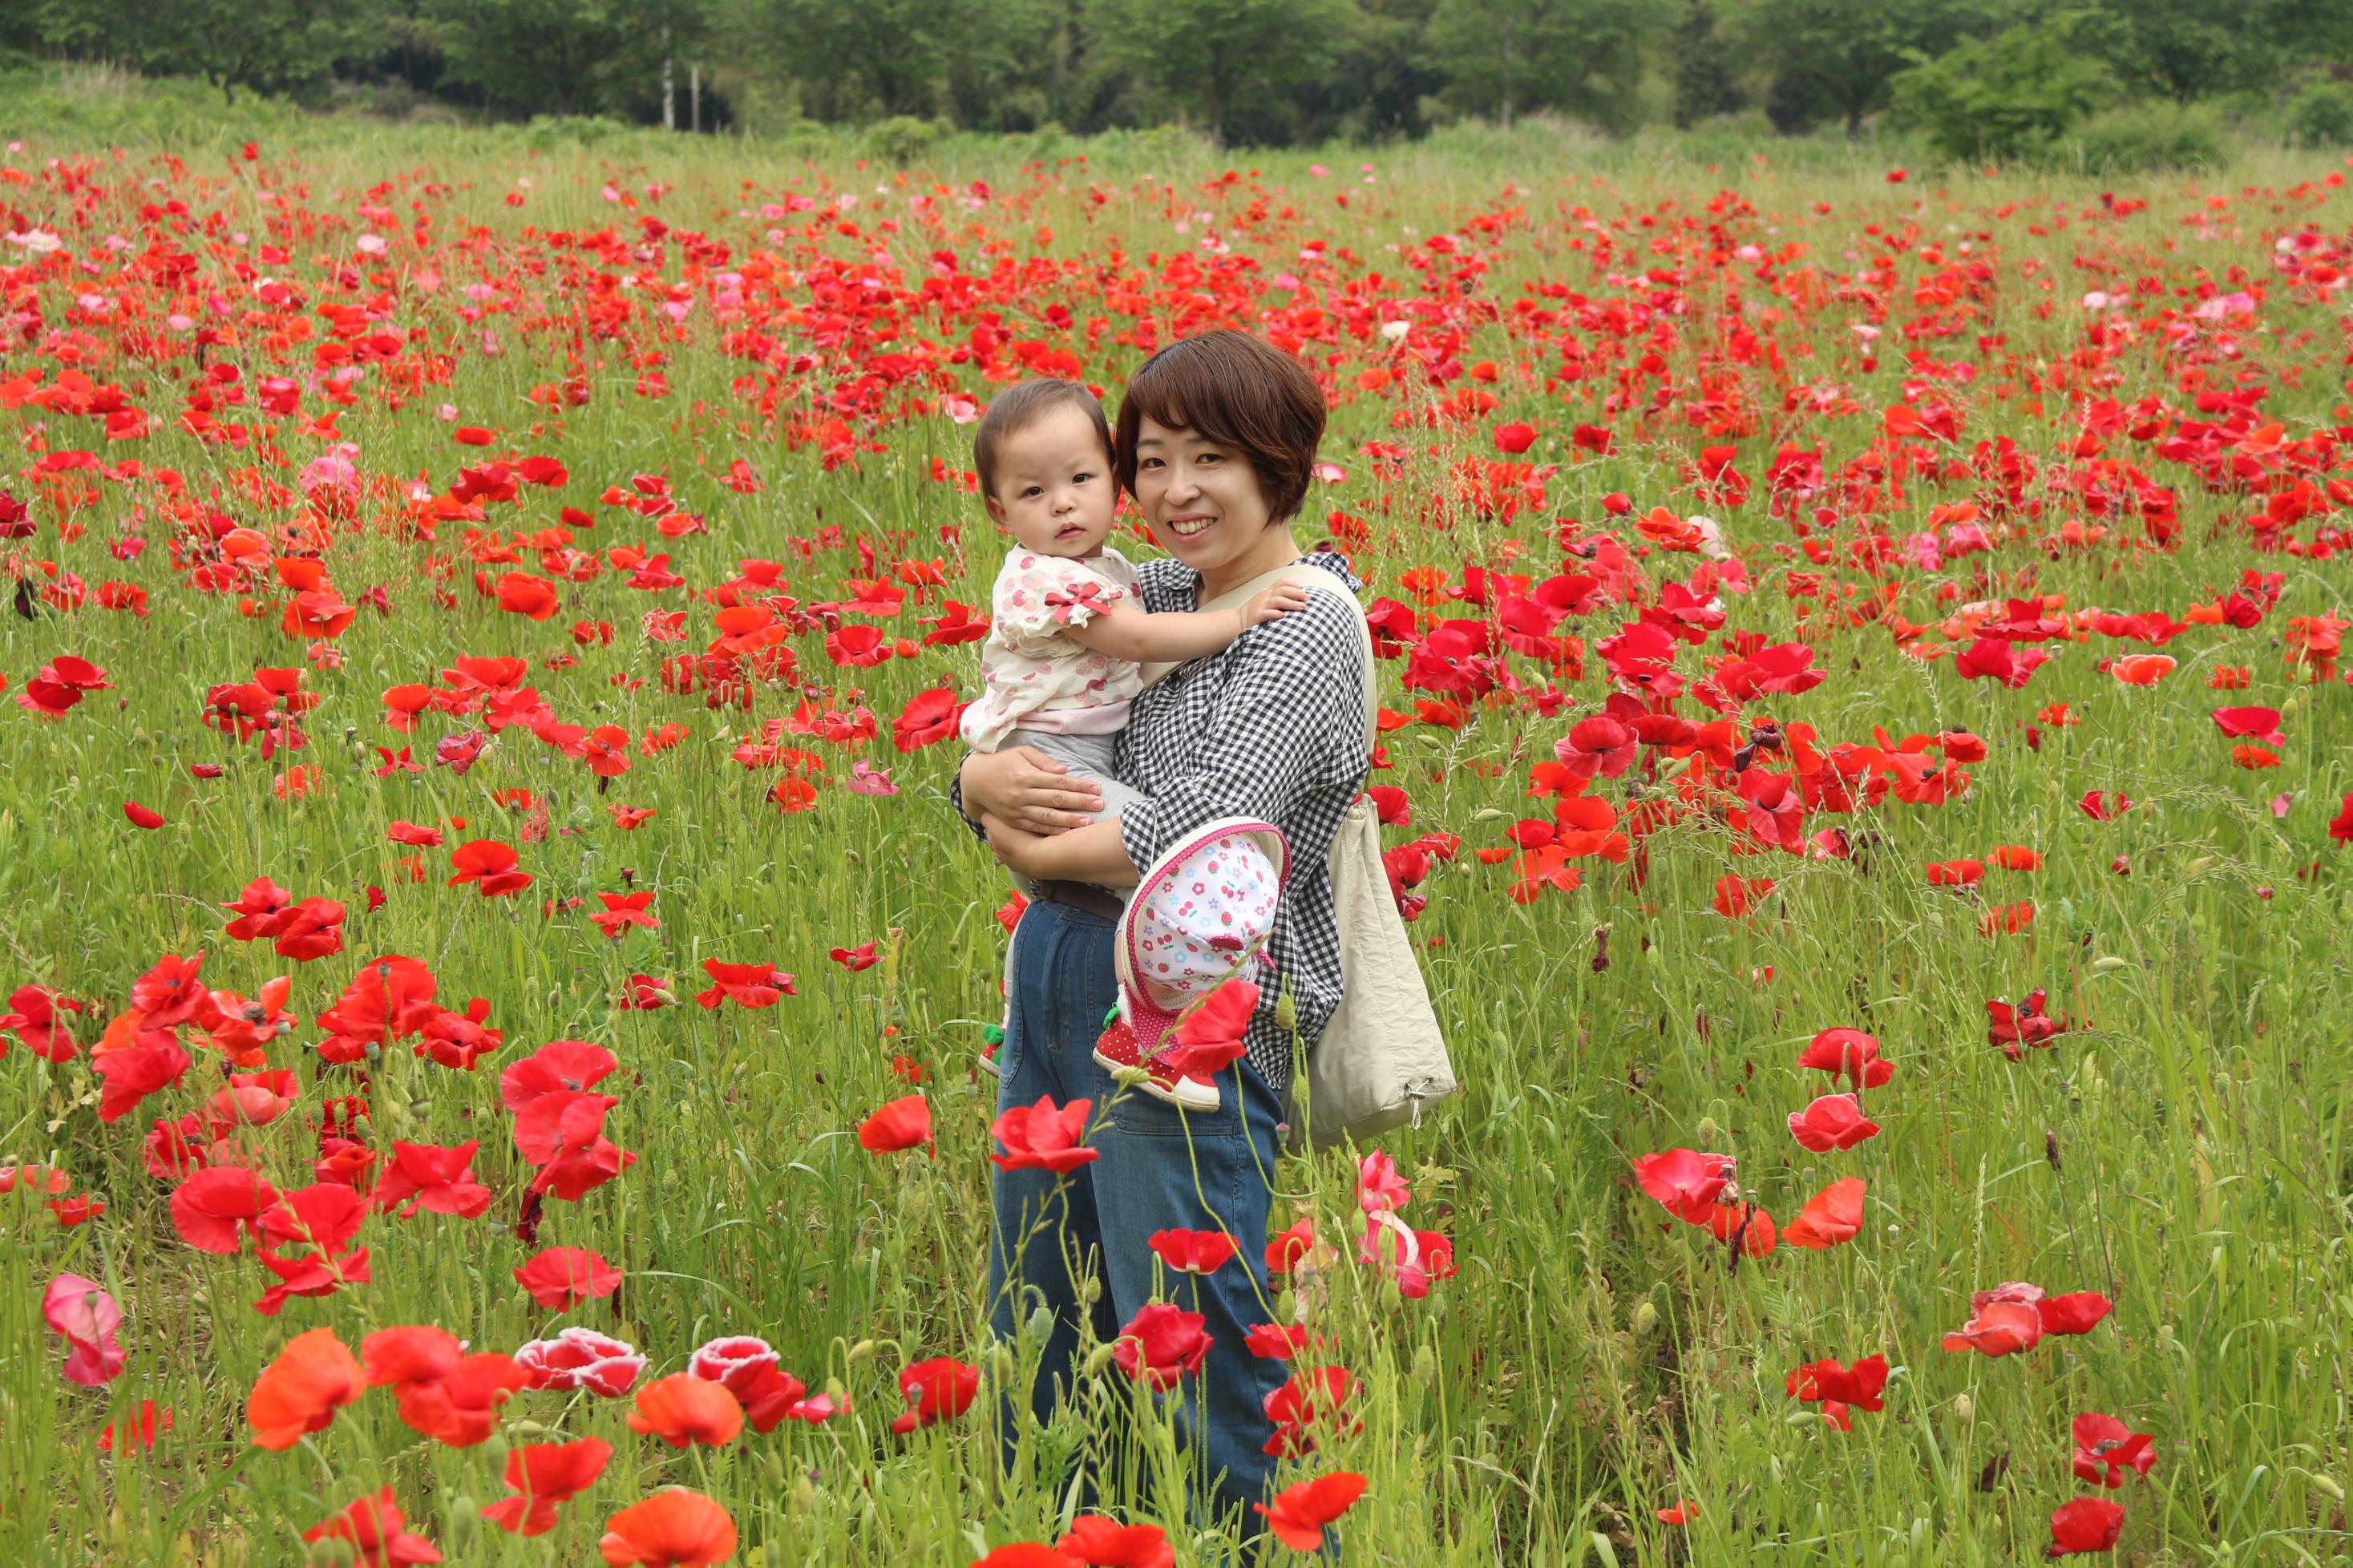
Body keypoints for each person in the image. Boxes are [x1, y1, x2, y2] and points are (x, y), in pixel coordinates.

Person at [955, 329, 1370, 1541]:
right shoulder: (1158, 590)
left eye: (1211, 458)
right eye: (1150, 459)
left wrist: (1015, 830)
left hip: (1192, 1010)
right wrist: (979, 780)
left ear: (1280, 463)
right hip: (1060, 964)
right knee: (1045, 1319)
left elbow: (1205, 829)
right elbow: (1021, 714)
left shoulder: (1304, 624)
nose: (1176, 490)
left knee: (1191, 1338)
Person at [960, 378, 1309, 1109]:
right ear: (999, 511)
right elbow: (1141, 637)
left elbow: (1211, 811)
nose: (1061, 504)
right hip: (1058, 766)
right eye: (1033, 493)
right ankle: (1142, 1037)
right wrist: (973, 781)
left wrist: (1027, 846)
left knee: (1219, 874)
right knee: (1209, 876)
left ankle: (1139, 1034)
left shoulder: (1122, 573)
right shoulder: (1062, 583)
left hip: (1070, 807)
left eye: (1081, 480)